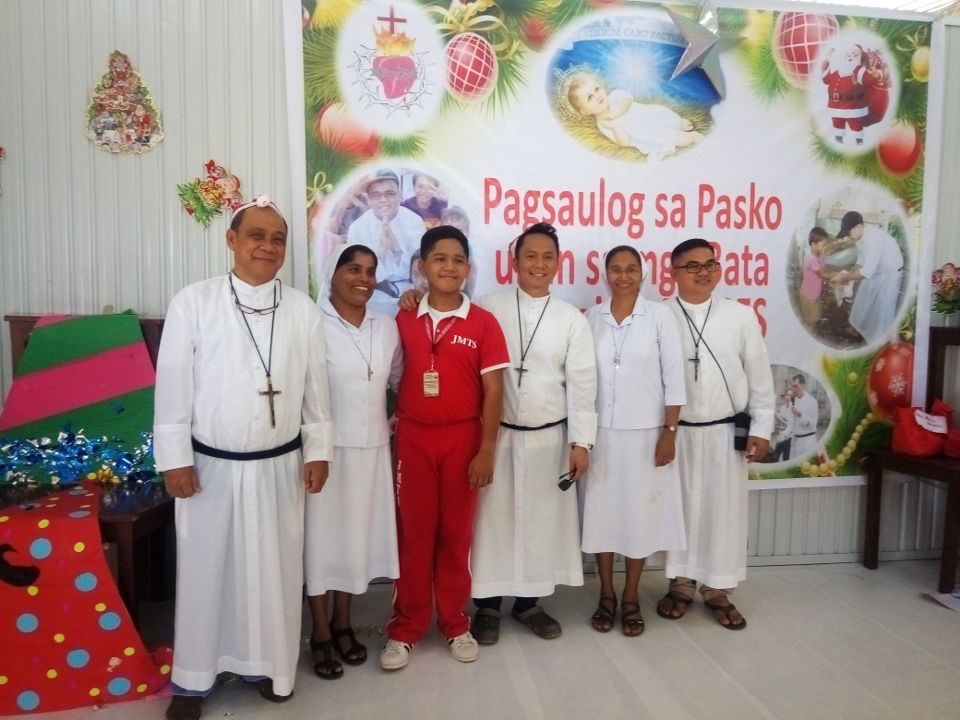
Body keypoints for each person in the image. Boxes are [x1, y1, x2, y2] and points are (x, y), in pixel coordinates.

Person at [154, 195, 333, 720]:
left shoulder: (302, 309)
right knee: (206, 570)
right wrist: (174, 458)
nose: (268, 246)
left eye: (277, 238)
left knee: (276, 571)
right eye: (256, 235)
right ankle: (193, 680)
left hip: (280, 465)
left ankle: (271, 667)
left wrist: (318, 449)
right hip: (209, 467)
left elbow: (315, 391)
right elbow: (172, 387)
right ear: (231, 240)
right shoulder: (194, 302)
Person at [381, 225, 510, 671]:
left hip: (463, 440)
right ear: (422, 266)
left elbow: (494, 391)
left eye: (458, 260)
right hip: (414, 439)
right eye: (440, 259)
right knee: (414, 536)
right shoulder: (403, 318)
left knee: (456, 536)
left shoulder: (483, 322)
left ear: (468, 268)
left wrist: (487, 449)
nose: (449, 267)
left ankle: (455, 623)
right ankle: (406, 628)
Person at [469, 222, 597, 644]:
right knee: (493, 521)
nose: (538, 264)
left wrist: (582, 442)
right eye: (530, 256)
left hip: (548, 438)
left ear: (557, 264)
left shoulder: (570, 320)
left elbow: (582, 384)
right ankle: (487, 606)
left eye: (547, 257)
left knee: (541, 524)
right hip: (497, 437)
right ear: (514, 261)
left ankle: (530, 604)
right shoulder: (487, 307)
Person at [656, 238, 773, 631]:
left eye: (710, 264)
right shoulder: (660, 317)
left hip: (725, 432)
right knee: (681, 509)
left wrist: (762, 427)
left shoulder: (739, 317)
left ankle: (719, 588)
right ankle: (681, 583)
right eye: (692, 266)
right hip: (678, 433)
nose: (703, 272)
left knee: (722, 512)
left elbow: (760, 377)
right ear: (672, 273)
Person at [304, 244, 403, 680]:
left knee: (354, 539)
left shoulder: (386, 327)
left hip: (373, 449)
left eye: (369, 270)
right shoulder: (311, 324)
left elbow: (398, 379)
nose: (362, 278)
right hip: (326, 452)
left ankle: (345, 621)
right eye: (352, 269)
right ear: (333, 273)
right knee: (322, 540)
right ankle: (320, 630)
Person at [580, 245, 686, 637]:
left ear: (643, 274)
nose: (623, 275)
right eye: (615, 269)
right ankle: (606, 594)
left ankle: (630, 596)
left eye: (630, 269)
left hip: (647, 437)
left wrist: (669, 432)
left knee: (639, 519)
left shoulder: (659, 316)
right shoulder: (591, 318)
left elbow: (674, 378)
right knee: (604, 518)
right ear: (605, 274)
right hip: (602, 436)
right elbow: (580, 379)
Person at [567, 69, 704, 161]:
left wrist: (616, 113)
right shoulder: (602, 124)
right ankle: (693, 137)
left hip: (649, 115)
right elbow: (624, 143)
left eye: (596, 89)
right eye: (589, 97)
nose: (597, 96)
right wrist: (616, 128)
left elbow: (628, 100)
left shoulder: (614, 96)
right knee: (668, 137)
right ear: (585, 111)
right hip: (644, 133)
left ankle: (679, 122)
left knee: (667, 118)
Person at [347, 169, 425, 312]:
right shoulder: (357, 228)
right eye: (376, 195)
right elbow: (357, 274)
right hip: (370, 295)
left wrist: (396, 250)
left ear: (400, 195)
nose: (383, 200)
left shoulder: (414, 221)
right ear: (369, 200)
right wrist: (381, 251)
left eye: (389, 194)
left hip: (409, 295)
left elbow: (418, 270)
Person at [830, 210, 903, 345]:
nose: (847, 236)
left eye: (848, 232)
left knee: (881, 312)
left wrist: (843, 278)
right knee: (862, 301)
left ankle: (876, 343)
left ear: (858, 227)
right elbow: (860, 263)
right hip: (875, 273)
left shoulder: (874, 239)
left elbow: (865, 273)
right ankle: (855, 331)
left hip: (888, 277)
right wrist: (846, 275)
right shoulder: (859, 238)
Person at [799, 226, 834, 334]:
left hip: (814, 294)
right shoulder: (811, 259)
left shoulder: (820, 255)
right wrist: (836, 276)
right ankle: (804, 339)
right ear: (813, 244)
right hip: (809, 296)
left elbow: (823, 268)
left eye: (826, 244)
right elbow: (822, 274)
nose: (825, 247)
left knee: (814, 316)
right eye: (823, 245)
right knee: (811, 322)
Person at [788, 374, 819, 460]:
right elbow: (792, 422)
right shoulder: (795, 400)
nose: (793, 389)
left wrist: (800, 414)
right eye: (792, 386)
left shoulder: (812, 401)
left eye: (795, 386)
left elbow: (813, 424)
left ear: (803, 385)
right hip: (796, 441)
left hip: (807, 442)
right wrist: (784, 435)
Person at [771, 392, 795, 462]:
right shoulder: (783, 407)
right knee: (775, 457)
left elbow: (787, 424)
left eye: (790, 395)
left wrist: (776, 414)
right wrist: (775, 415)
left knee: (786, 458)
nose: (788, 397)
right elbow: (779, 421)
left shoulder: (793, 408)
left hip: (788, 436)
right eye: (787, 395)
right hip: (781, 435)